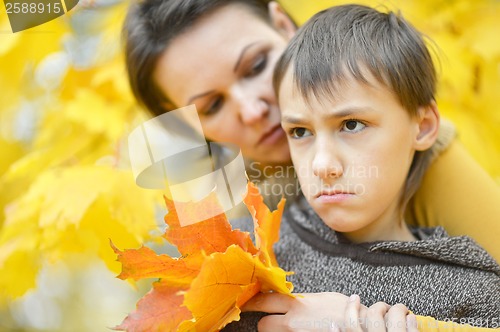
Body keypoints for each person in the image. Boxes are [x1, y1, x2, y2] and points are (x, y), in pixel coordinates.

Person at [123, 0, 500, 262]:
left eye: (256, 65)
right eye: (213, 106)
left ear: (285, 27)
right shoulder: (217, 218)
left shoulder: (418, 160)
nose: (253, 110)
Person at [224, 4, 499, 331]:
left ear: (423, 127)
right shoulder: (247, 250)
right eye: (300, 132)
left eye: (352, 125)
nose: (322, 164)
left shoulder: (475, 291)